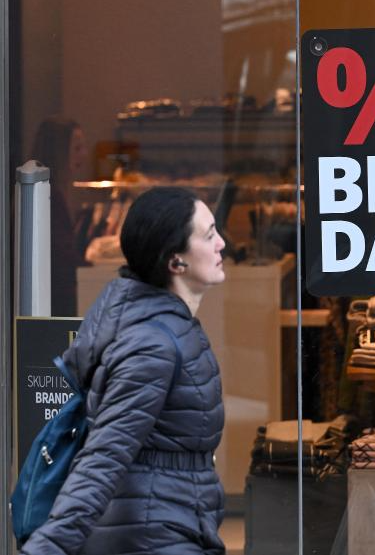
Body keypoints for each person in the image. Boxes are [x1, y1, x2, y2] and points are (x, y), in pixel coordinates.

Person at [21, 187, 228, 555]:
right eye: (209, 235)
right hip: (150, 536)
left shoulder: (168, 329)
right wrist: (47, 548)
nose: (222, 244)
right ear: (176, 261)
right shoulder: (152, 346)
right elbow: (104, 456)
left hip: (168, 524)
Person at [26, 116, 89, 316]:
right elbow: (60, 256)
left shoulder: (43, 190)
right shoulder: (49, 195)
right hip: (52, 303)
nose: (84, 154)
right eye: (77, 148)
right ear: (59, 151)